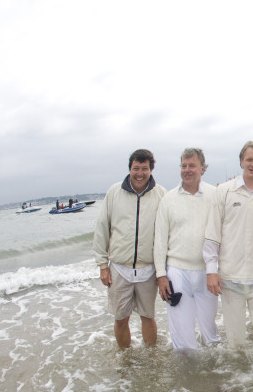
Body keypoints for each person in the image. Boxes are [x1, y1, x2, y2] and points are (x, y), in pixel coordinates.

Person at [203, 141, 253, 351]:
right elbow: (212, 234)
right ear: (241, 161)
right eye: (249, 159)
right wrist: (211, 271)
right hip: (230, 277)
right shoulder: (224, 192)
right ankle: (237, 382)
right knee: (235, 344)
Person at [94, 148, 167, 349]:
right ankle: (125, 357)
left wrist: (163, 271)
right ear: (130, 169)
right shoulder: (114, 192)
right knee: (120, 319)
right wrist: (102, 265)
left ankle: (151, 357)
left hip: (148, 268)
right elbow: (102, 228)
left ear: (151, 169)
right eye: (136, 168)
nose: (140, 173)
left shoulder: (161, 194)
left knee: (148, 317)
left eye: (145, 168)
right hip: (119, 268)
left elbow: (167, 232)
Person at [153, 148, 220, 351]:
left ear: (202, 168)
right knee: (182, 337)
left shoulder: (215, 195)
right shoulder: (168, 199)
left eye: (192, 165)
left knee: (210, 334)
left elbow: (221, 234)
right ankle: (186, 378)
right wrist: (161, 276)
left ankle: (214, 376)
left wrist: (216, 270)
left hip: (207, 272)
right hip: (177, 272)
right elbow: (160, 240)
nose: (187, 170)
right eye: (183, 166)